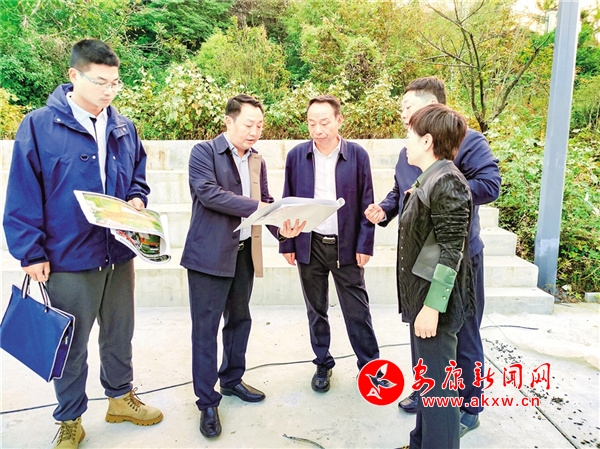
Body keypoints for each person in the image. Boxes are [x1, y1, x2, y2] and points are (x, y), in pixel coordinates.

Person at [3, 39, 163, 449]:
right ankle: (70, 417)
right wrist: (30, 252)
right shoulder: (39, 126)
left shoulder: (123, 126)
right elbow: (23, 192)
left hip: (118, 252)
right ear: (74, 75)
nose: (109, 90)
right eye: (100, 82)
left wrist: (137, 199)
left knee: (119, 333)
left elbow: (138, 175)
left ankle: (120, 398)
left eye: (115, 83)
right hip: (68, 257)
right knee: (70, 343)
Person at [365, 76, 501, 436]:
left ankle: (468, 404)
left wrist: (439, 189)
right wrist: (385, 209)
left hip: (455, 257)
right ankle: (430, 391)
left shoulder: (466, 144)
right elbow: (401, 190)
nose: (403, 115)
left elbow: (489, 186)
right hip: (419, 260)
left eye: (408, 108)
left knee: (461, 331)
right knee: (424, 335)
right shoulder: (409, 151)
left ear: (433, 108)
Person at [180, 94, 304, 439]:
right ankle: (207, 402)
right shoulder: (204, 152)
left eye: (260, 125)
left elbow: (265, 204)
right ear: (229, 121)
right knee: (205, 330)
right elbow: (209, 194)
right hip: (208, 257)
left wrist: (284, 229)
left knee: (239, 320)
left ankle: (232, 379)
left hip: (244, 253)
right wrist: (261, 207)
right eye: (249, 124)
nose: (254, 131)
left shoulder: (256, 160)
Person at [280, 94, 380, 393]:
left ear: (339, 120)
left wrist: (365, 244)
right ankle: (322, 362)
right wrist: (287, 244)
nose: (318, 129)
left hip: (345, 245)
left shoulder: (357, 155)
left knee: (357, 310)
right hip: (308, 244)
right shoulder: (297, 156)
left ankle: (370, 367)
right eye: (312, 123)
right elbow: (287, 202)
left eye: (324, 122)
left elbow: (367, 201)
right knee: (316, 309)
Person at [396, 103, 474, 448]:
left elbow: (452, 249)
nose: (406, 141)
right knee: (427, 384)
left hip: (434, 307)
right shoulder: (431, 177)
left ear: (427, 140)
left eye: (410, 134)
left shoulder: (447, 182)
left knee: (439, 392)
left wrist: (432, 307)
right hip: (422, 300)